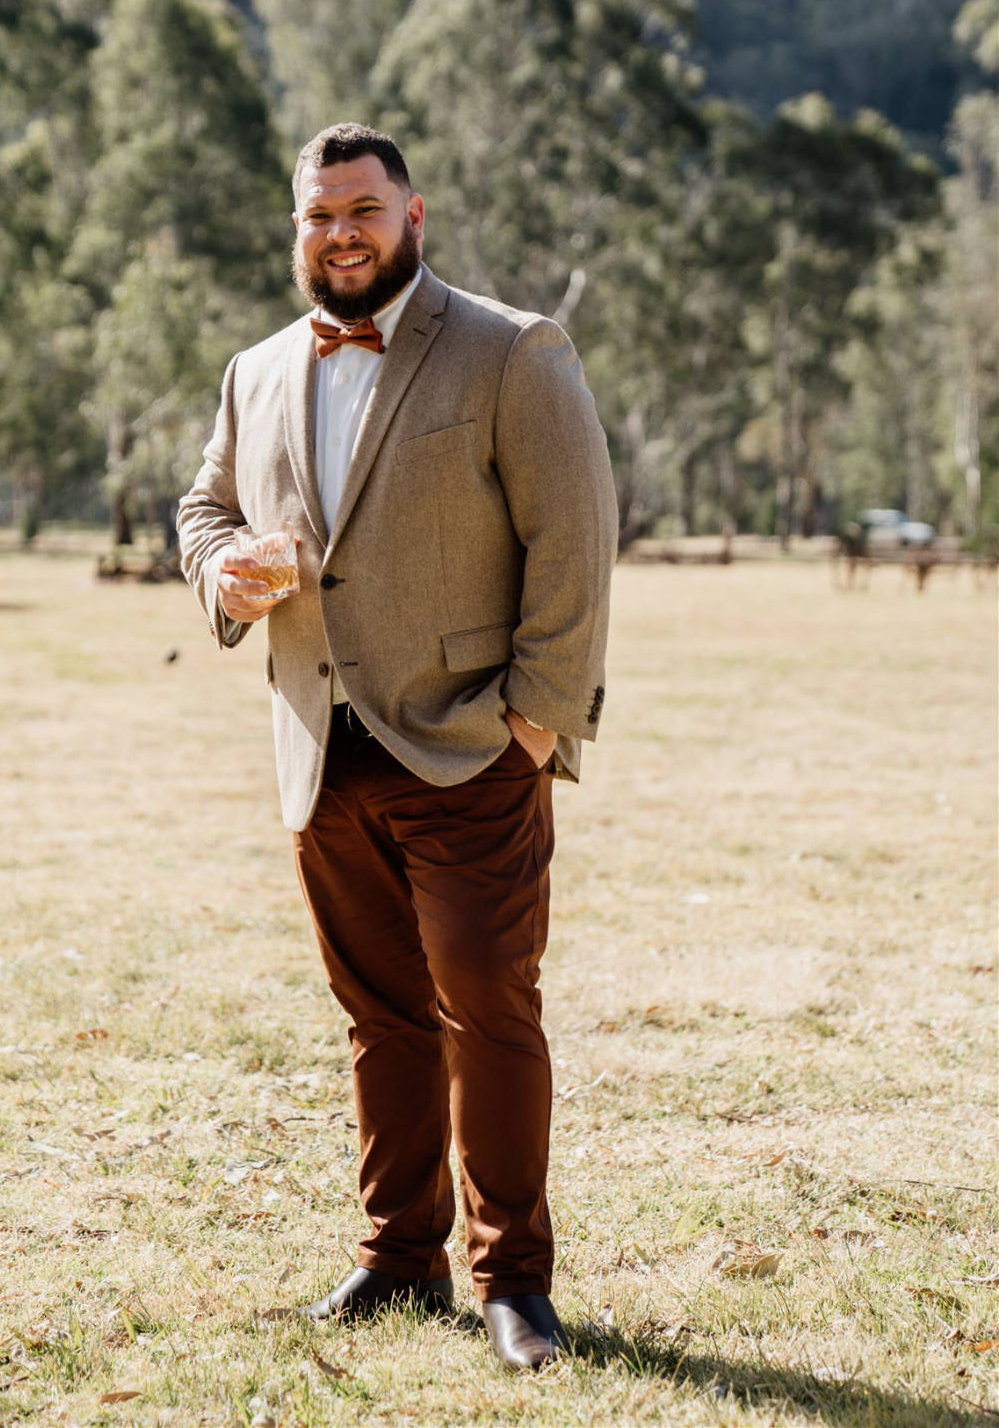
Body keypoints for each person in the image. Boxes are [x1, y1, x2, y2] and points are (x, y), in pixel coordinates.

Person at [177, 123, 618, 1370]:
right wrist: (223, 567)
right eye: (318, 215)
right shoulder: (255, 370)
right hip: (320, 746)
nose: (341, 233)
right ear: (298, 228)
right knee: (379, 1016)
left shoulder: (510, 349)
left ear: (413, 215)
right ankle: (396, 1251)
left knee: (490, 1011)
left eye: (362, 209)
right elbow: (206, 503)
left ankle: (513, 1280)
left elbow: (575, 541)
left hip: (470, 744)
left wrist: (535, 723)